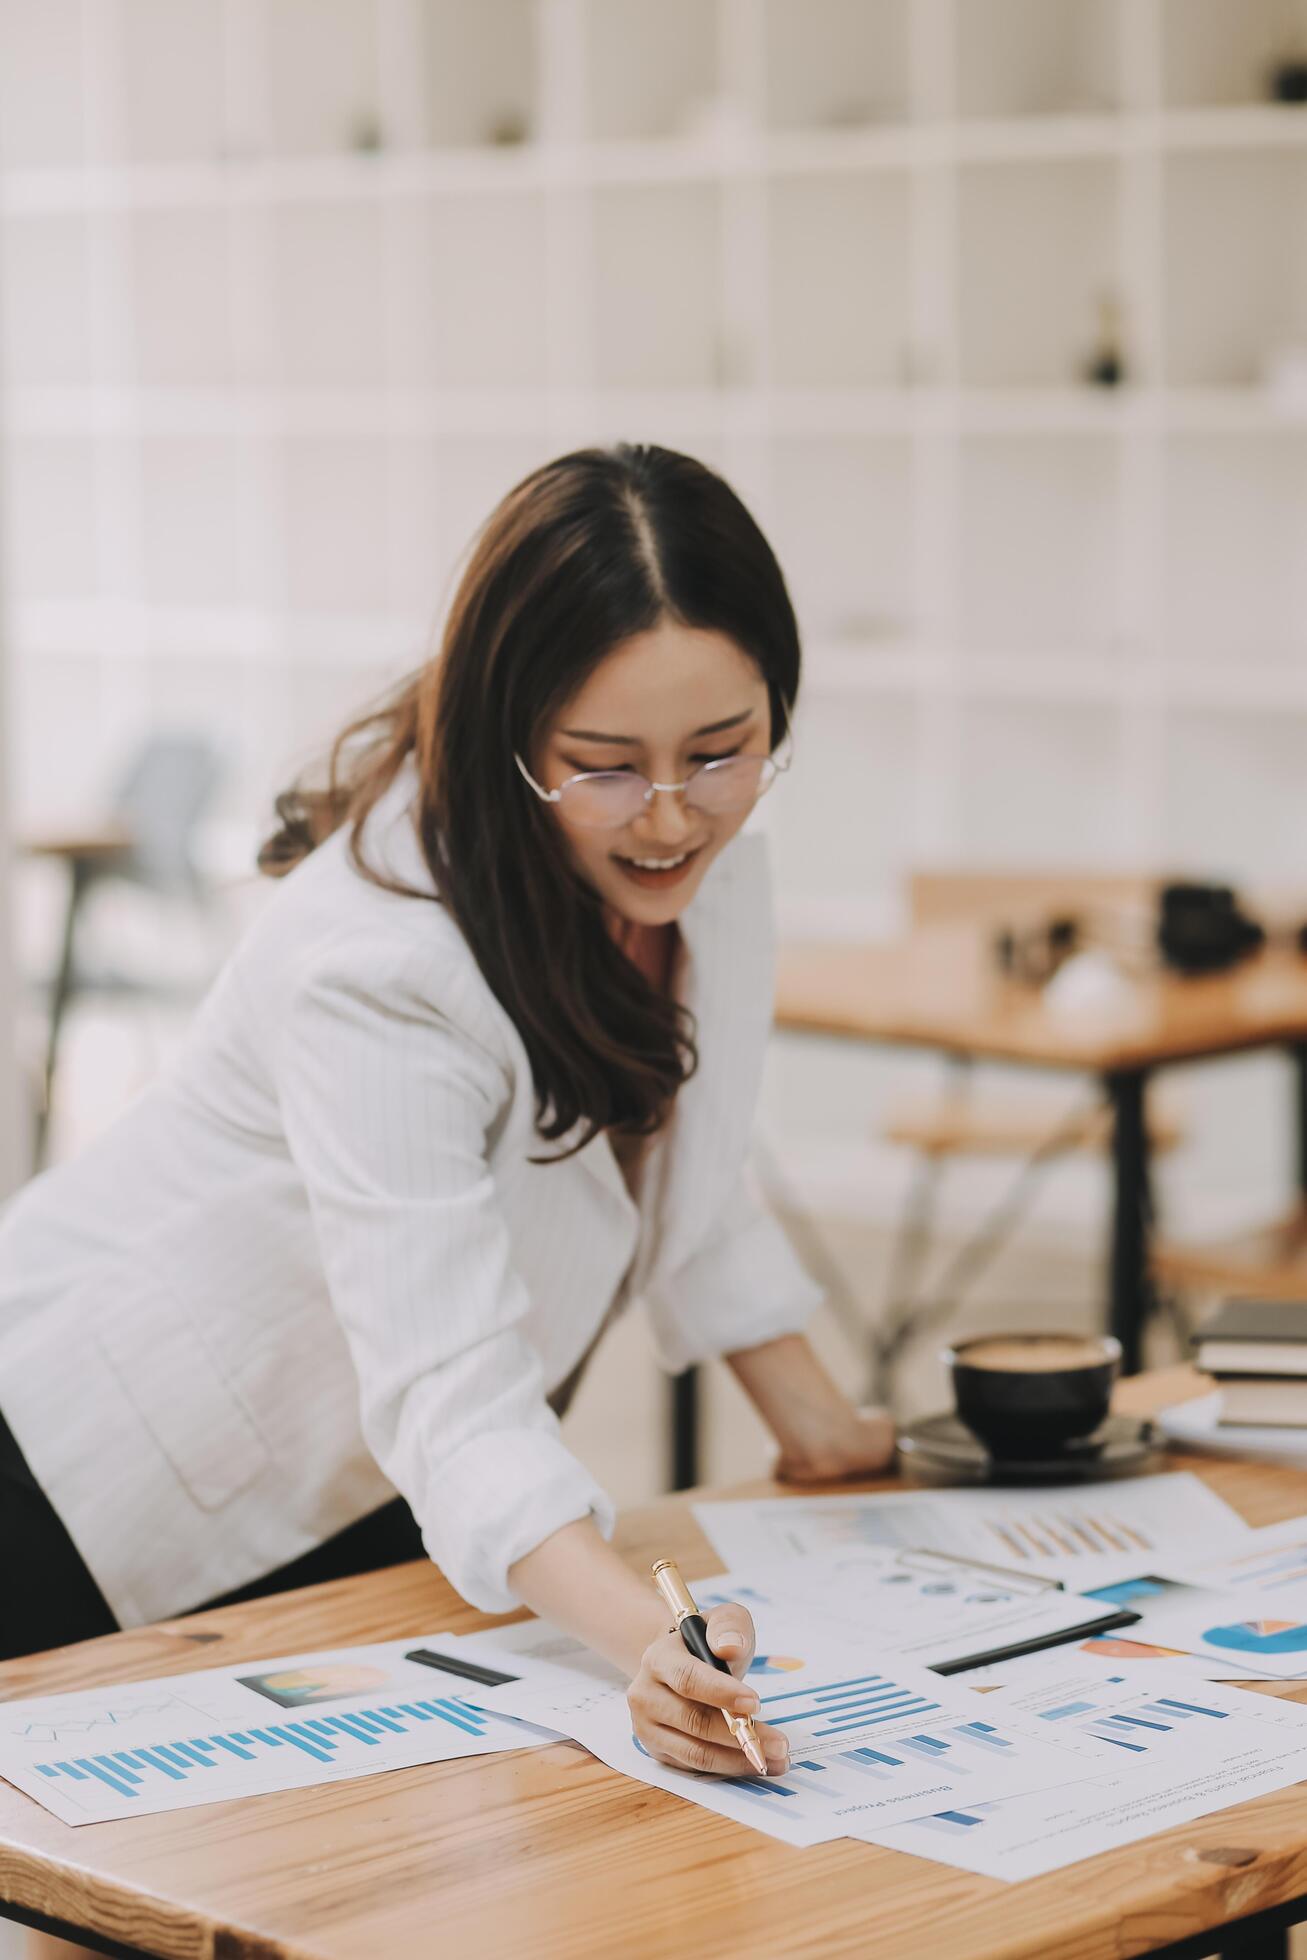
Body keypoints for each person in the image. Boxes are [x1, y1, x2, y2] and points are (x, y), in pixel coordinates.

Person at [1, 445, 892, 1955]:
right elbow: (454, 1400)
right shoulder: (383, 956)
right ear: (505, 731)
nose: (670, 815)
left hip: (379, 1487)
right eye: (602, 761)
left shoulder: (696, 864)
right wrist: (652, 1646)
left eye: (722, 749)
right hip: (94, 1481)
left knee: (377, 1897)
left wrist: (822, 1425)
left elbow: (691, 1145)